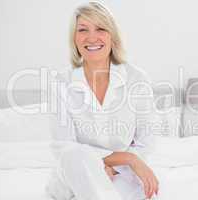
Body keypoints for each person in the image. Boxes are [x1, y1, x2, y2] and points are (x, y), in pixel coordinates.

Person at [46, 1, 159, 200]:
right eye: (83, 29)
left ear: (112, 36)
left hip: (121, 173)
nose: (91, 37)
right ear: (74, 38)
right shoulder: (61, 82)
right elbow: (64, 147)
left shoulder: (136, 79)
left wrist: (118, 164)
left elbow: (146, 140)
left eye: (100, 28)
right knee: (74, 156)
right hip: (73, 173)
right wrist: (125, 157)